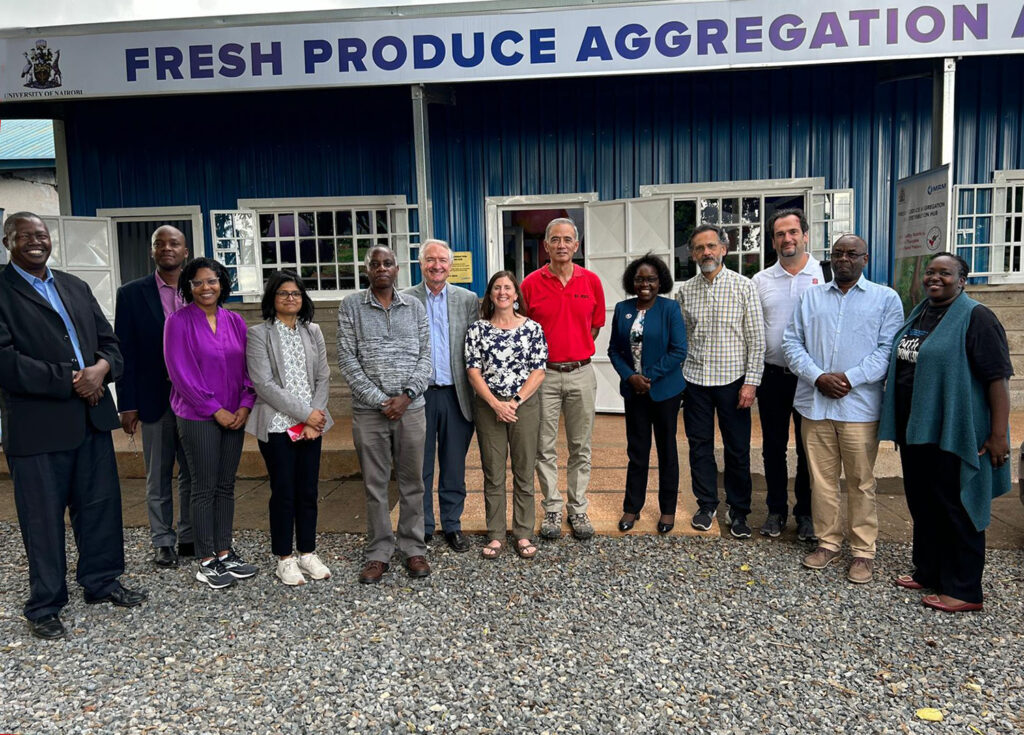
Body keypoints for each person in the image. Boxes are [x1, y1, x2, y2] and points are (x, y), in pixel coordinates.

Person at [0, 212, 146, 640]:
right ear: (8, 241)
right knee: (43, 519)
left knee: (100, 506)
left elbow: (111, 345)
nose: (35, 242)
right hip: (38, 427)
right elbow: (5, 361)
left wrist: (100, 370)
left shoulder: (75, 286)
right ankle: (45, 604)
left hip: (91, 420)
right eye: (24, 236)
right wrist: (70, 379)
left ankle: (101, 582)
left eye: (41, 235)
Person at [879, 253, 1013, 612]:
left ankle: (965, 589)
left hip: (952, 430)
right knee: (924, 503)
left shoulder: (976, 318)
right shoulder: (922, 312)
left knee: (956, 505)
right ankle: (930, 570)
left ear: (962, 280)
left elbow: (997, 379)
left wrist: (999, 436)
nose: (935, 278)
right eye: (931, 272)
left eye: (945, 273)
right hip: (917, 429)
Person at [782, 235, 903, 584]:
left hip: (859, 408)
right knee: (821, 481)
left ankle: (863, 551)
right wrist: (817, 376)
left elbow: (886, 350)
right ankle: (827, 542)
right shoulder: (811, 297)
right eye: (838, 253)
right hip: (815, 405)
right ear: (830, 259)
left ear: (866, 258)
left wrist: (849, 379)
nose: (844, 259)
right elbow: (791, 342)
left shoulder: (885, 299)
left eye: (852, 254)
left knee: (861, 482)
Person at [337, 245, 432, 584]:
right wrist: (381, 401)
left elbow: (426, 358)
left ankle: (413, 548)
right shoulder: (351, 306)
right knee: (376, 485)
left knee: (412, 483)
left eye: (387, 263)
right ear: (367, 270)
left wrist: (406, 397)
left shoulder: (415, 306)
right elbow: (348, 361)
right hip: (369, 413)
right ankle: (378, 552)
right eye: (375, 264)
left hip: (411, 410)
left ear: (397, 269)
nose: (381, 268)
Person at [164, 257, 258, 590]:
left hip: (235, 415)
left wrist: (246, 405)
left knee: (225, 485)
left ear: (222, 283)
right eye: (198, 282)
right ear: (188, 288)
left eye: (212, 281)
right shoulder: (178, 322)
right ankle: (205, 559)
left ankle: (224, 550)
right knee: (203, 486)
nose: (206, 288)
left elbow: (249, 369)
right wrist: (214, 409)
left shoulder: (235, 321)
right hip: (198, 417)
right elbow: (180, 372)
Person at [676, 224, 765, 539]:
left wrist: (751, 382)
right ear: (693, 254)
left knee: (737, 449)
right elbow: (683, 338)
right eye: (699, 248)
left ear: (724, 249)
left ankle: (739, 511)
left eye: (711, 246)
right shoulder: (685, 291)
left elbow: (756, 338)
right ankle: (706, 504)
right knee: (700, 447)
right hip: (696, 381)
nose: (706, 253)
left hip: (734, 381)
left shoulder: (744, 287)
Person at [246, 271, 334, 586]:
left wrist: (316, 416)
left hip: (312, 426)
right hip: (277, 425)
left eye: (296, 293)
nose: (290, 298)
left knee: (308, 491)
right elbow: (263, 384)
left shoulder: (314, 331)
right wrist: (305, 415)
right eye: (283, 293)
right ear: (272, 298)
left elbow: (324, 376)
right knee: (284, 491)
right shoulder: (258, 335)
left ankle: (307, 552)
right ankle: (284, 558)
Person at [520, 217, 605, 541]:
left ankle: (578, 507)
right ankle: (553, 507)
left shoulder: (591, 281)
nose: (561, 245)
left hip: (581, 373)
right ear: (545, 246)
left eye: (567, 239)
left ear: (576, 245)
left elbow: (595, 327)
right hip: (544, 376)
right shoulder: (530, 284)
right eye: (555, 239)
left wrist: (574, 350)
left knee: (581, 445)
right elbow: (524, 330)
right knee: (544, 447)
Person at [114, 224, 194, 568]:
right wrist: (127, 403)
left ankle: (190, 535)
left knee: (193, 471)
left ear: (185, 251)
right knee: (158, 473)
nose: (166, 248)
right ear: (152, 252)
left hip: (195, 400)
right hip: (153, 399)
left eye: (173, 243)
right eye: (159, 243)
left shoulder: (200, 289)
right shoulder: (131, 294)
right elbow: (124, 352)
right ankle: (163, 540)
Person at [751, 209, 824, 541]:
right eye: (780, 234)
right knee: (773, 448)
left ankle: (806, 513)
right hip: (773, 377)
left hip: (812, 379)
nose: (787, 239)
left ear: (805, 235)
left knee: (809, 448)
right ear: (773, 241)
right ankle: (776, 510)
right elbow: (754, 331)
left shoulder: (824, 275)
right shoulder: (761, 281)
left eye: (793, 232)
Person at [401, 239, 479, 552]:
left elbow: (477, 346)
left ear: (450, 264)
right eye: (430, 260)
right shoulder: (405, 298)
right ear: (421, 264)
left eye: (442, 260)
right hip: (418, 397)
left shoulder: (467, 299)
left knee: (453, 465)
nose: (436, 266)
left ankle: (452, 525)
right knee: (420, 467)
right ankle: (423, 525)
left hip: (456, 393)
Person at [465, 271, 548, 559]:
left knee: (524, 471)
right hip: (488, 408)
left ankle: (523, 533)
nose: (502, 292)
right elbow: (473, 371)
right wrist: (495, 403)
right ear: (490, 295)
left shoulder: (533, 328)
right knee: (493, 473)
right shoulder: (477, 330)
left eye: (508, 288)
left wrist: (513, 401)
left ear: (516, 295)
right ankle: (496, 534)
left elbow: (539, 370)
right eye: (497, 288)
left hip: (523, 407)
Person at [608, 254, 687, 534]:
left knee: (667, 451)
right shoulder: (622, 309)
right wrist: (631, 377)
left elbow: (679, 350)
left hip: (664, 392)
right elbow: (614, 350)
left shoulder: (670, 309)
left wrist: (648, 377)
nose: (645, 284)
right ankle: (632, 507)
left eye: (651, 279)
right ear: (632, 280)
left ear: (660, 281)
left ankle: (667, 510)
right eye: (640, 278)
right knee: (637, 451)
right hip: (634, 393)